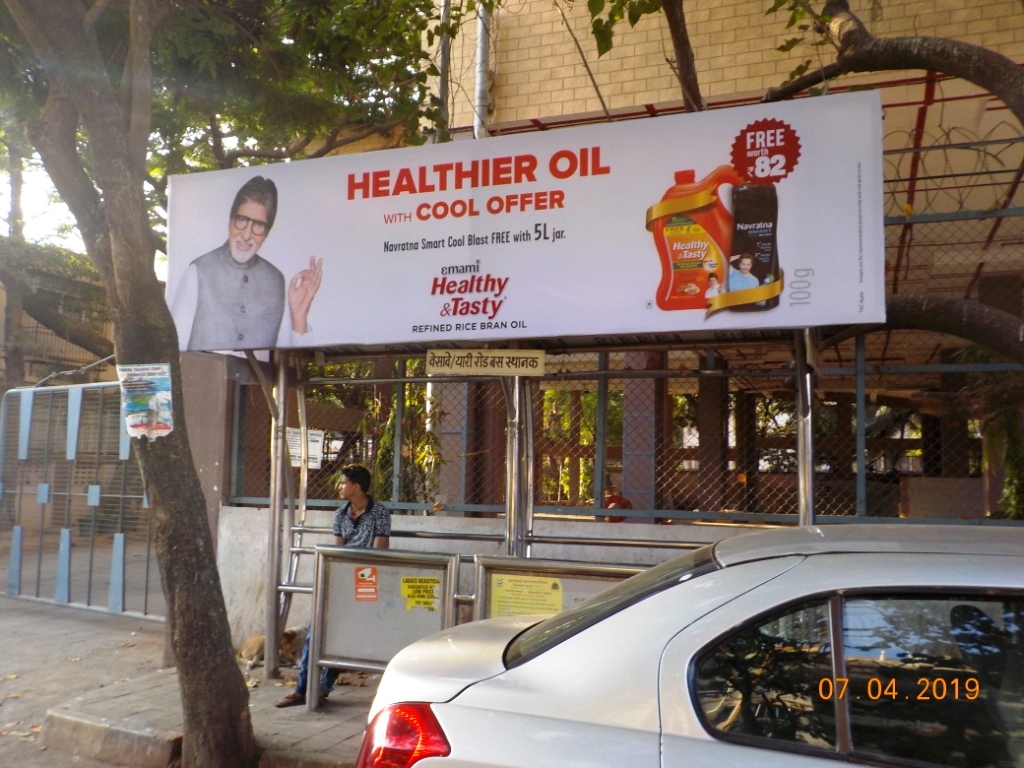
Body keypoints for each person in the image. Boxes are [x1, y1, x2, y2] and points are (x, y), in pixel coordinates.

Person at [275, 464, 391, 708]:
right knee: (315, 630)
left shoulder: (380, 513)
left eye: (343, 483)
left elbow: (380, 551)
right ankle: (303, 688)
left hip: (366, 581)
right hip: (339, 579)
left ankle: (322, 686)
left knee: (343, 635)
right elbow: (336, 550)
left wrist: (356, 571)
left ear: (356, 486)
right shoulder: (340, 514)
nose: (340, 487)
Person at [168, 175, 323, 351]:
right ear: (230, 221)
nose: (247, 235)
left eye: (258, 225)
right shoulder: (197, 271)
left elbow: (293, 363)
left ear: (266, 233)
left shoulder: (276, 280)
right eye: (241, 220)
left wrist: (299, 317)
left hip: (262, 380)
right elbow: (172, 351)